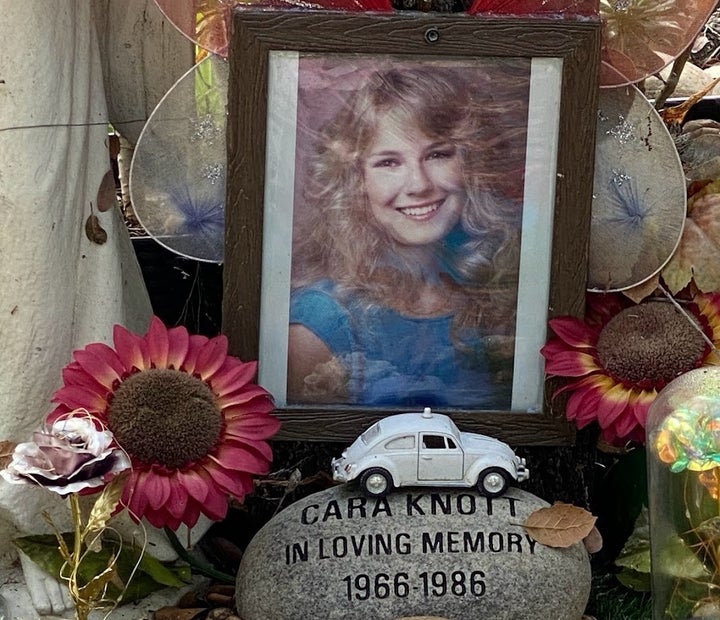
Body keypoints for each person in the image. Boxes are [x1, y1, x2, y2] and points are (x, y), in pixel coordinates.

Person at [287, 63, 530, 409]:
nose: (419, 185)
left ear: (471, 164)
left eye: (438, 154)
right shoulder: (321, 325)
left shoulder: (497, 300)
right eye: (388, 162)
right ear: (357, 181)